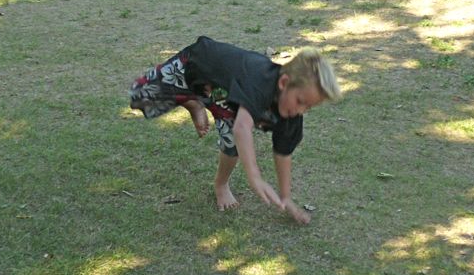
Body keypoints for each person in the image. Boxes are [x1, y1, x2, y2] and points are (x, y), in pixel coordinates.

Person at [129, 36, 341, 224]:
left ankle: (221, 184)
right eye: (300, 101)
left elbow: (283, 152)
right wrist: (255, 177)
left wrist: (286, 197)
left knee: (232, 144)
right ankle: (192, 102)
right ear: (284, 83)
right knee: (139, 97)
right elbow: (243, 128)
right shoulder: (260, 82)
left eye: (309, 107)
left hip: (228, 100)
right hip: (196, 70)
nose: (300, 110)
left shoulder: (291, 114)